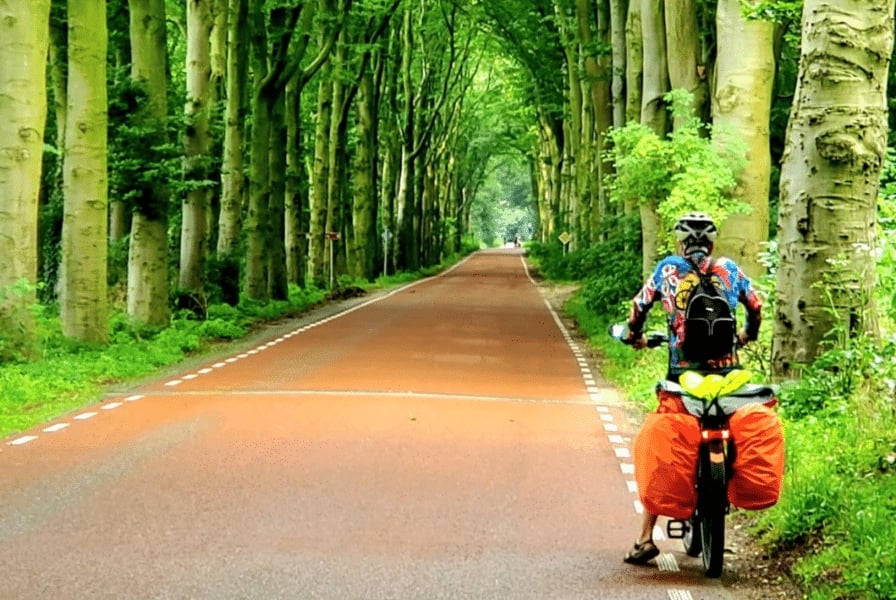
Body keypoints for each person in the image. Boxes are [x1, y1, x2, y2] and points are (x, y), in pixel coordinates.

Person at [621, 211, 763, 566]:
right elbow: (756, 306)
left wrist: (633, 336)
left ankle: (644, 538)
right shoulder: (729, 270)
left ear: (679, 242)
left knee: (665, 440)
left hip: (681, 376)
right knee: (735, 427)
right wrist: (747, 335)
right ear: (712, 243)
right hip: (728, 374)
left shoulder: (667, 270)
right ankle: (730, 484)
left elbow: (639, 308)